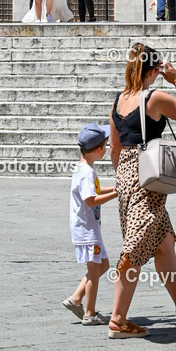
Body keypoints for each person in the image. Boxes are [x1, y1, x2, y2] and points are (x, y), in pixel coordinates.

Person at [108, 43, 176, 338]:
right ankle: (118, 319)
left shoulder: (119, 100)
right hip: (147, 179)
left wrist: (123, 179)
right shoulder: (154, 97)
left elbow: (114, 148)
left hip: (126, 175)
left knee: (163, 241)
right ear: (154, 70)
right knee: (134, 249)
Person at [63, 123, 118, 326]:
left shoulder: (83, 168)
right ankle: (89, 313)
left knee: (103, 265)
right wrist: (117, 194)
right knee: (95, 271)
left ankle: (75, 298)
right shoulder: (87, 172)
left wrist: (112, 187)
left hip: (88, 228)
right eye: (105, 144)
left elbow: (94, 190)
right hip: (87, 231)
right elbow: (90, 199)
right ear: (99, 150)